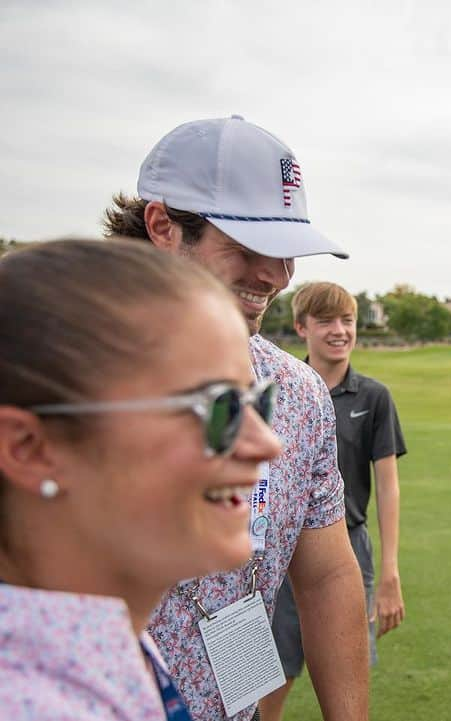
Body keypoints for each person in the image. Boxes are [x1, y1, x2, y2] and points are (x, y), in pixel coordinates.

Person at [103, 116, 369, 721]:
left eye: (287, 253)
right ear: (164, 227)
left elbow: (326, 574)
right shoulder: (66, 377)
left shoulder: (297, 392)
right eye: (248, 248)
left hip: (233, 680)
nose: (275, 275)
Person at [0, 239, 282, 720]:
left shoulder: (93, 644)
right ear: (30, 448)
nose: (266, 444)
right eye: (218, 407)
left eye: (257, 402)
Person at [260, 282, 407, 721]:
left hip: (349, 548)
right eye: (325, 321)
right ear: (301, 327)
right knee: (268, 678)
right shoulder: (277, 391)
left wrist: (389, 572)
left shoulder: (374, 397)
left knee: (346, 676)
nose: (339, 331)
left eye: (347, 320)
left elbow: (387, 486)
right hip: (277, 552)